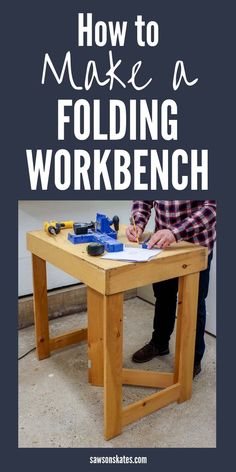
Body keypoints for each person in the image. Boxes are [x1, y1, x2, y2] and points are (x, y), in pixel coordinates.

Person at [126, 200, 216, 377]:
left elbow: (213, 208)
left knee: (194, 303)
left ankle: (193, 357)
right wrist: (138, 222)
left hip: (196, 245)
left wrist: (175, 232)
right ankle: (160, 344)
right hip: (164, 247)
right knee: (163, 296)